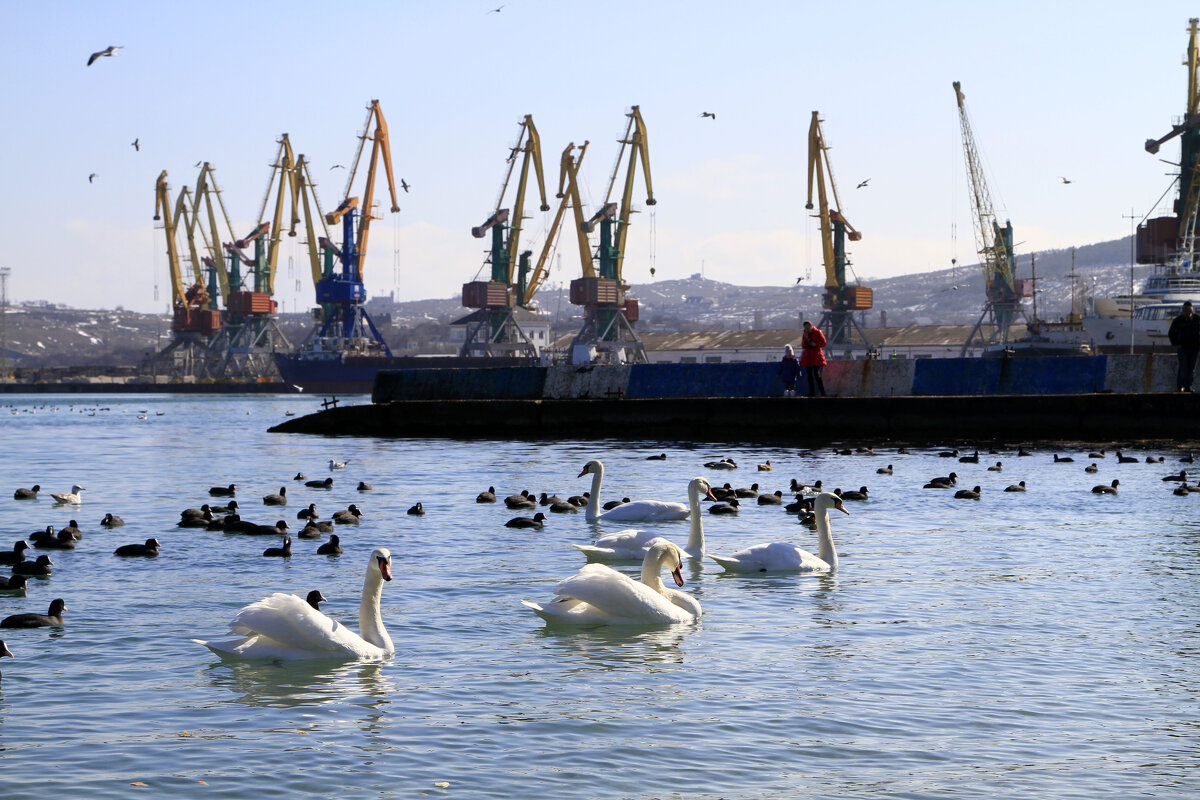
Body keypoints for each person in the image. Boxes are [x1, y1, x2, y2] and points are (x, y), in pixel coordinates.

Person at [1169, 300, 1200, 392]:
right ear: (1183, 311)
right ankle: (1180, 387)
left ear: (1191, 311)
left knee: (1191, 369)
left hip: (1195, 348)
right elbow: (1171, 333)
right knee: (1183, 368)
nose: (1187, 313)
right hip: (1183, 348)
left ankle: (1188, 387)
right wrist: (1176, 344)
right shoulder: (1178, 321)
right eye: (1185, 311)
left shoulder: (1197, 319)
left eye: (1188, 311)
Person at [799, 320, 827, 397]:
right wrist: (806, 337)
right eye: (806, 328)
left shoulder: (818, 332)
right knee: (809, 376)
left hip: (816, 355)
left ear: (811, 326)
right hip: (808, 356)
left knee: (816, 374)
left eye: (808, 327)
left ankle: (822, 392)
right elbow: (803, 345)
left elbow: (824, 343)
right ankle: (812, 392)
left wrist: (815, 344)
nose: (807, 329)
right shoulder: (805, 334)